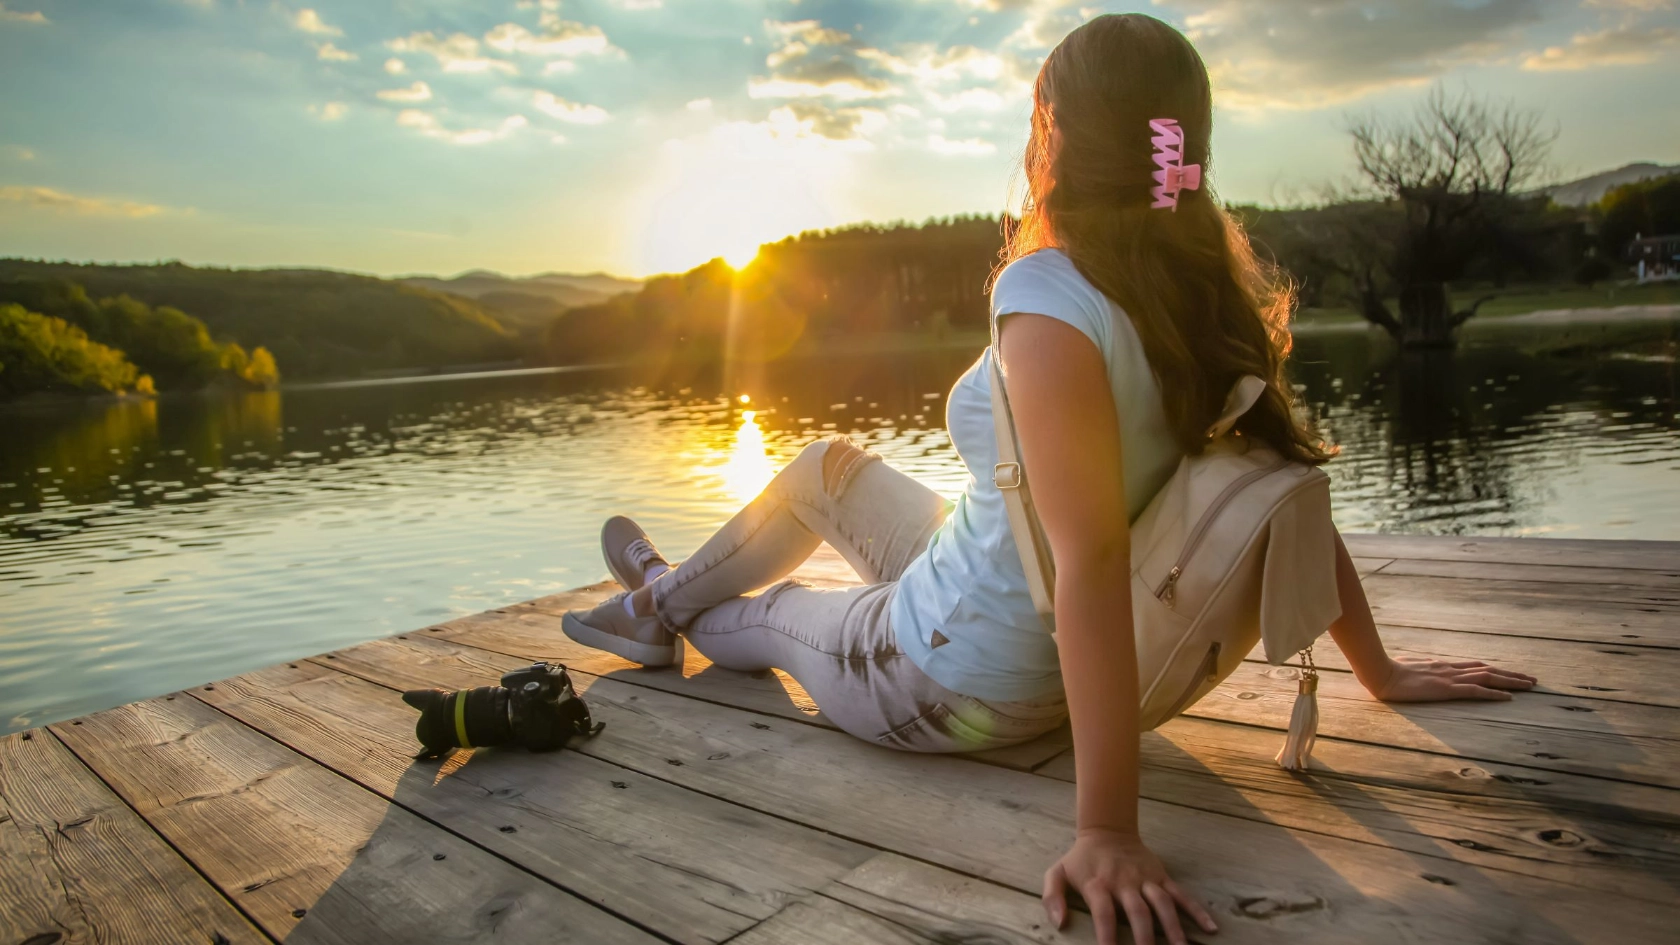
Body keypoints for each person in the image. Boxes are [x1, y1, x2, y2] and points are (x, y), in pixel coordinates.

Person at [563, 13, 1536, 945]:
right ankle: (657, 592)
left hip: (942, 673)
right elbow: (1289, 482)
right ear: (1183, 142)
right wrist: (1381, 669)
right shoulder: (1206, 294)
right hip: (986, 581)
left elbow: (1093, 556)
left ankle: (664, 609)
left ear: (1052, 134)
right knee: (826, 467)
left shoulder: (1047, 294)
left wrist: (1107, 831)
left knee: (774, 608)